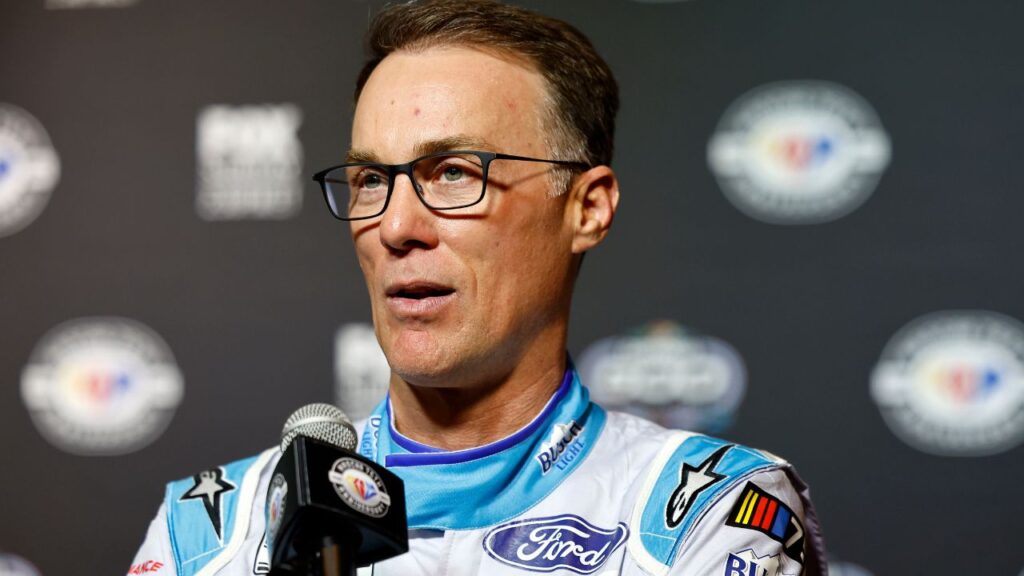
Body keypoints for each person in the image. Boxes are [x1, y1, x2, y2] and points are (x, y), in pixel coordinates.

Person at [129, 1, 827, 575]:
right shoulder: (208, 532)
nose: (396, 226)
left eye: (454, 173)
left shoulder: (706, 514)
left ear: (587, 208)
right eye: (373, 179)